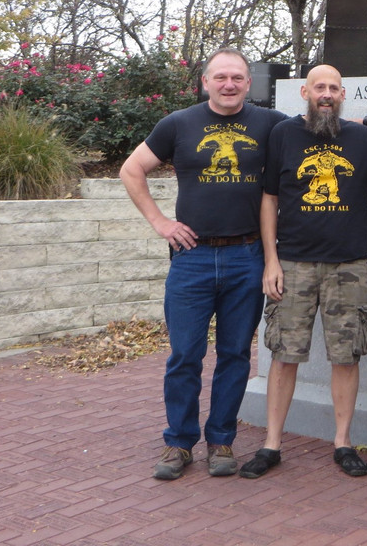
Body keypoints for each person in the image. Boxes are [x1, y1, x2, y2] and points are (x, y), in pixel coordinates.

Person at [120, 48, 285, 481]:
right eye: (220, 77)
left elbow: (322, 131)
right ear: (205, 82)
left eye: (237, 78)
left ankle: (221, 441)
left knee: (234, 355)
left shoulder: (270, 124)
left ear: (249, 84)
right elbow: (132, 170)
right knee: (185, 355)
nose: (229, 84)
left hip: (246, 256)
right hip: (191, 258)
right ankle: (178, 442)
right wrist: (160, 222)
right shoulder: (178, 124)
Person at [239, 65, 367, 480]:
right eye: (319, 86)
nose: (326, 93)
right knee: (284, 354)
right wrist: (271, 259)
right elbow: (269, 198)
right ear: (304, 91)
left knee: (346, 354)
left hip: (349, 264)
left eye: (334, 88)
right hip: (294, 263)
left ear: (343, 95)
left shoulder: (363, 138)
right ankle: (272, 444)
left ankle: (342, 441)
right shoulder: (283, 134)